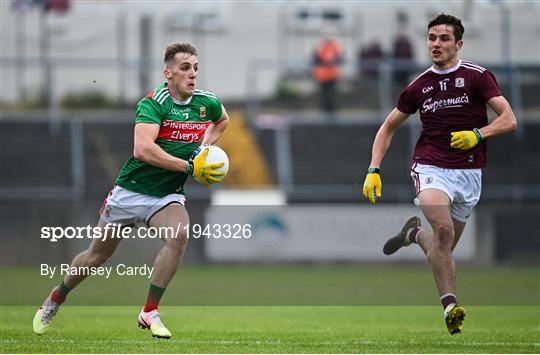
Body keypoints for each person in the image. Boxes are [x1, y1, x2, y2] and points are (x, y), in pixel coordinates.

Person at [33, 42, 230, 339]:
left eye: (196, 68)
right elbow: (142, 150)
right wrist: (189, 167)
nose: (193, 74)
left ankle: (149, 311)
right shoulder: (154, 103)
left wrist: (204, 148)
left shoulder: (206, 102)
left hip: (165, 196)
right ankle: (57, 297)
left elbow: (222, 120)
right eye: (185, 68)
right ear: (168, 73)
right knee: (95, 258)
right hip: (130, 192)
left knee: (179, 233)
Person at [362, 14, 517, 335]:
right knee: (444, 228)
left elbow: (509, 120)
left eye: (444, 39)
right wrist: (373, 168)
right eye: (431, 37)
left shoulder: (477, 77)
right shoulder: (419, 86)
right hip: (430, 166)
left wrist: (478, 134)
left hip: (469, 173)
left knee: (441, 247)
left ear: (458, 43)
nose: (436, 44)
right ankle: (450, 307)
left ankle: (414, 235)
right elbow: (388, 127)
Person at [312, 27, 343, 122]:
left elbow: (339, 59)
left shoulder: (335, 46)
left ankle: (332, 113)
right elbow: (316, 59)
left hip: (332, 75)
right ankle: (325, 114)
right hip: (323, 75)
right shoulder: (320, 46)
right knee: (324, 95)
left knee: (331, 94)